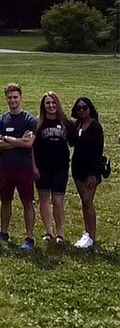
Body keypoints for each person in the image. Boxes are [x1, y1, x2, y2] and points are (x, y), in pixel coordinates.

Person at [0, 83, 38, 250]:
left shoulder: (29, 120)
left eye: (15, 97)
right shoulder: (1, 120)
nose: (12, 100)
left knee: (27, 202)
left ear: (21, 98)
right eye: (9, 97)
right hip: (5, 167)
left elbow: (29, 144)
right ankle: (3, 233)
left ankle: (30, 237)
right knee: (5, 201)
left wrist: (7, 139)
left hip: (24, 167)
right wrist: (18, 141)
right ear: (6, 99)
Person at [33, 92, 72, 243]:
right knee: (44, 198)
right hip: (42, 167)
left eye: (53, 103)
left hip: (60, 167)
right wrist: (34, 167)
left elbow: (76, 140)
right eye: (48, 103)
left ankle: (60, 233)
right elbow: (32, 148)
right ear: (43, 106)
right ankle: (49, 232)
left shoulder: (66, 123)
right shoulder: (38, 124)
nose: (51, 106)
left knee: (57, 200)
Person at [69, 97, 104, 249]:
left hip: (90, 170)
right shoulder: (78, 125)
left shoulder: (95, 126)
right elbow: (71, 142)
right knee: (84, 202)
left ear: (90, 108)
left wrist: (93, 174)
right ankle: (87, 232)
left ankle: (92, 236)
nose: (82, 110)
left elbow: (98, 151)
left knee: (88, 201)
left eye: (85, 107)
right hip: (78, 168)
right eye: (79, 108)